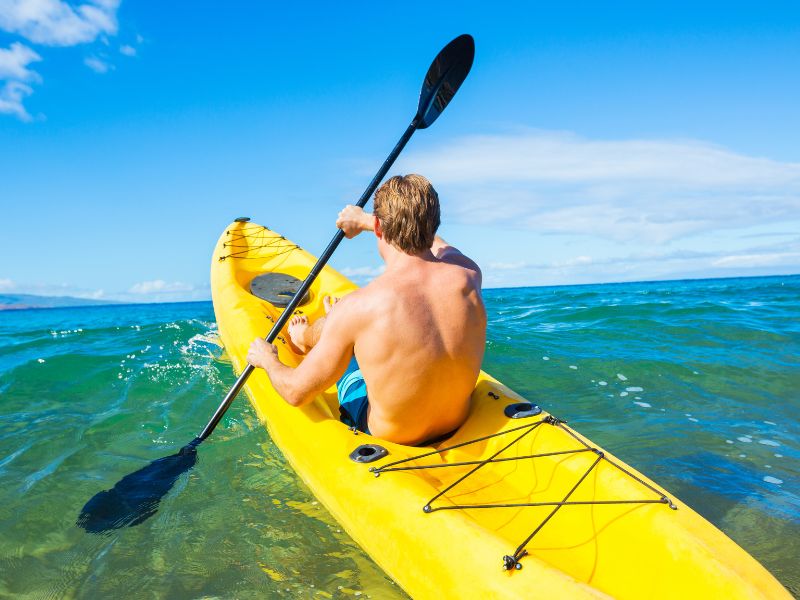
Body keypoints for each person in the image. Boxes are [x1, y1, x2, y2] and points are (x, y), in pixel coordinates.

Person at [246, 174, 486, 446]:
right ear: (434, 223)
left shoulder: (362, 305)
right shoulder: (467, 273)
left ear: (379, 228)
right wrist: (366, 221)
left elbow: (295, 393)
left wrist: (267, 359)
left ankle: (307, 337)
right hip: (455, 422)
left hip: (390, 436)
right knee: (352, 325)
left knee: (348, 334)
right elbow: (439, 244)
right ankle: (325, 329)